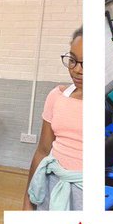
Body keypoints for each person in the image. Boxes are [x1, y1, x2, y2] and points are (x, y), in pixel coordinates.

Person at [25, 27, 83, 211]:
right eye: (73, 60)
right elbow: (42, 150)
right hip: (51, 187)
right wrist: (28, 201)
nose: (77, 70)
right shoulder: (57, 96)